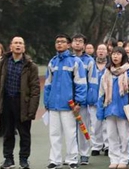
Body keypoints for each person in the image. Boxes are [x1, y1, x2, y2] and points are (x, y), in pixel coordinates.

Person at [0, 37, 39, 169]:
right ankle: (8, 159)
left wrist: (32, 109)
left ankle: (24, 159)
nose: (18, 45)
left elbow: (35, 89)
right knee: (7, 132)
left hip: (22, 103)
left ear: (24, 47)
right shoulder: (4, 63)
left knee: (24, 133)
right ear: (11, 46)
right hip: (6, 101)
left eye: (20, 43)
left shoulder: (30, 65)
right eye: (15, 43)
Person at [45, 34, 87, 169]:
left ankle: (72, 159)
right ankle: (55, 160)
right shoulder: (52, 62)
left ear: (68, 45)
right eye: (57, 42)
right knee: (54, 134)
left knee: (70, 133)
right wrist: (47, 101)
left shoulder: (75, 62)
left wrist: (78, 102)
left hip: (69, 105)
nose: (59, 44)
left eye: (63, 42)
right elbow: (47, 84)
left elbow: (81, 83)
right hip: (53, 105)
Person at [96, 47, 129, 169]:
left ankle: (124, 159)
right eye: (113, 54)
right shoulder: (106, 74)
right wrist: (100, 110)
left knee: (124, 136)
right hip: (109, 109)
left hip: (124, 110)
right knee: (111, 135)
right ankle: (114, 158)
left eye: (118, 54)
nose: (115, 56)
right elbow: (101, 93)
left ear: (123, 56)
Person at [71, 34, 96, 165]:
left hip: (83, 101)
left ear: (84, 45)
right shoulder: (68, 59)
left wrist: (88, 99)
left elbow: (92, 81)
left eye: (80, 41)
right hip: (69, 100)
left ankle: (85, 154)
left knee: (83, 127)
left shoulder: (89, 61)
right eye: (75, 41)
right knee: (70, 129)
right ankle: (72, 154)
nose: (77, 44)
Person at [91, 44, 109, 156]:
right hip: (94, 99)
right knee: (95, 124)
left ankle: (107, 145)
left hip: (107, 99)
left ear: (107, 52)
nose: (101, 51)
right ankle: (96, 146)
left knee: (107, 124)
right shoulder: (91, 64)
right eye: (99, 49)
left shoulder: (110, 65)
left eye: (103, 49)